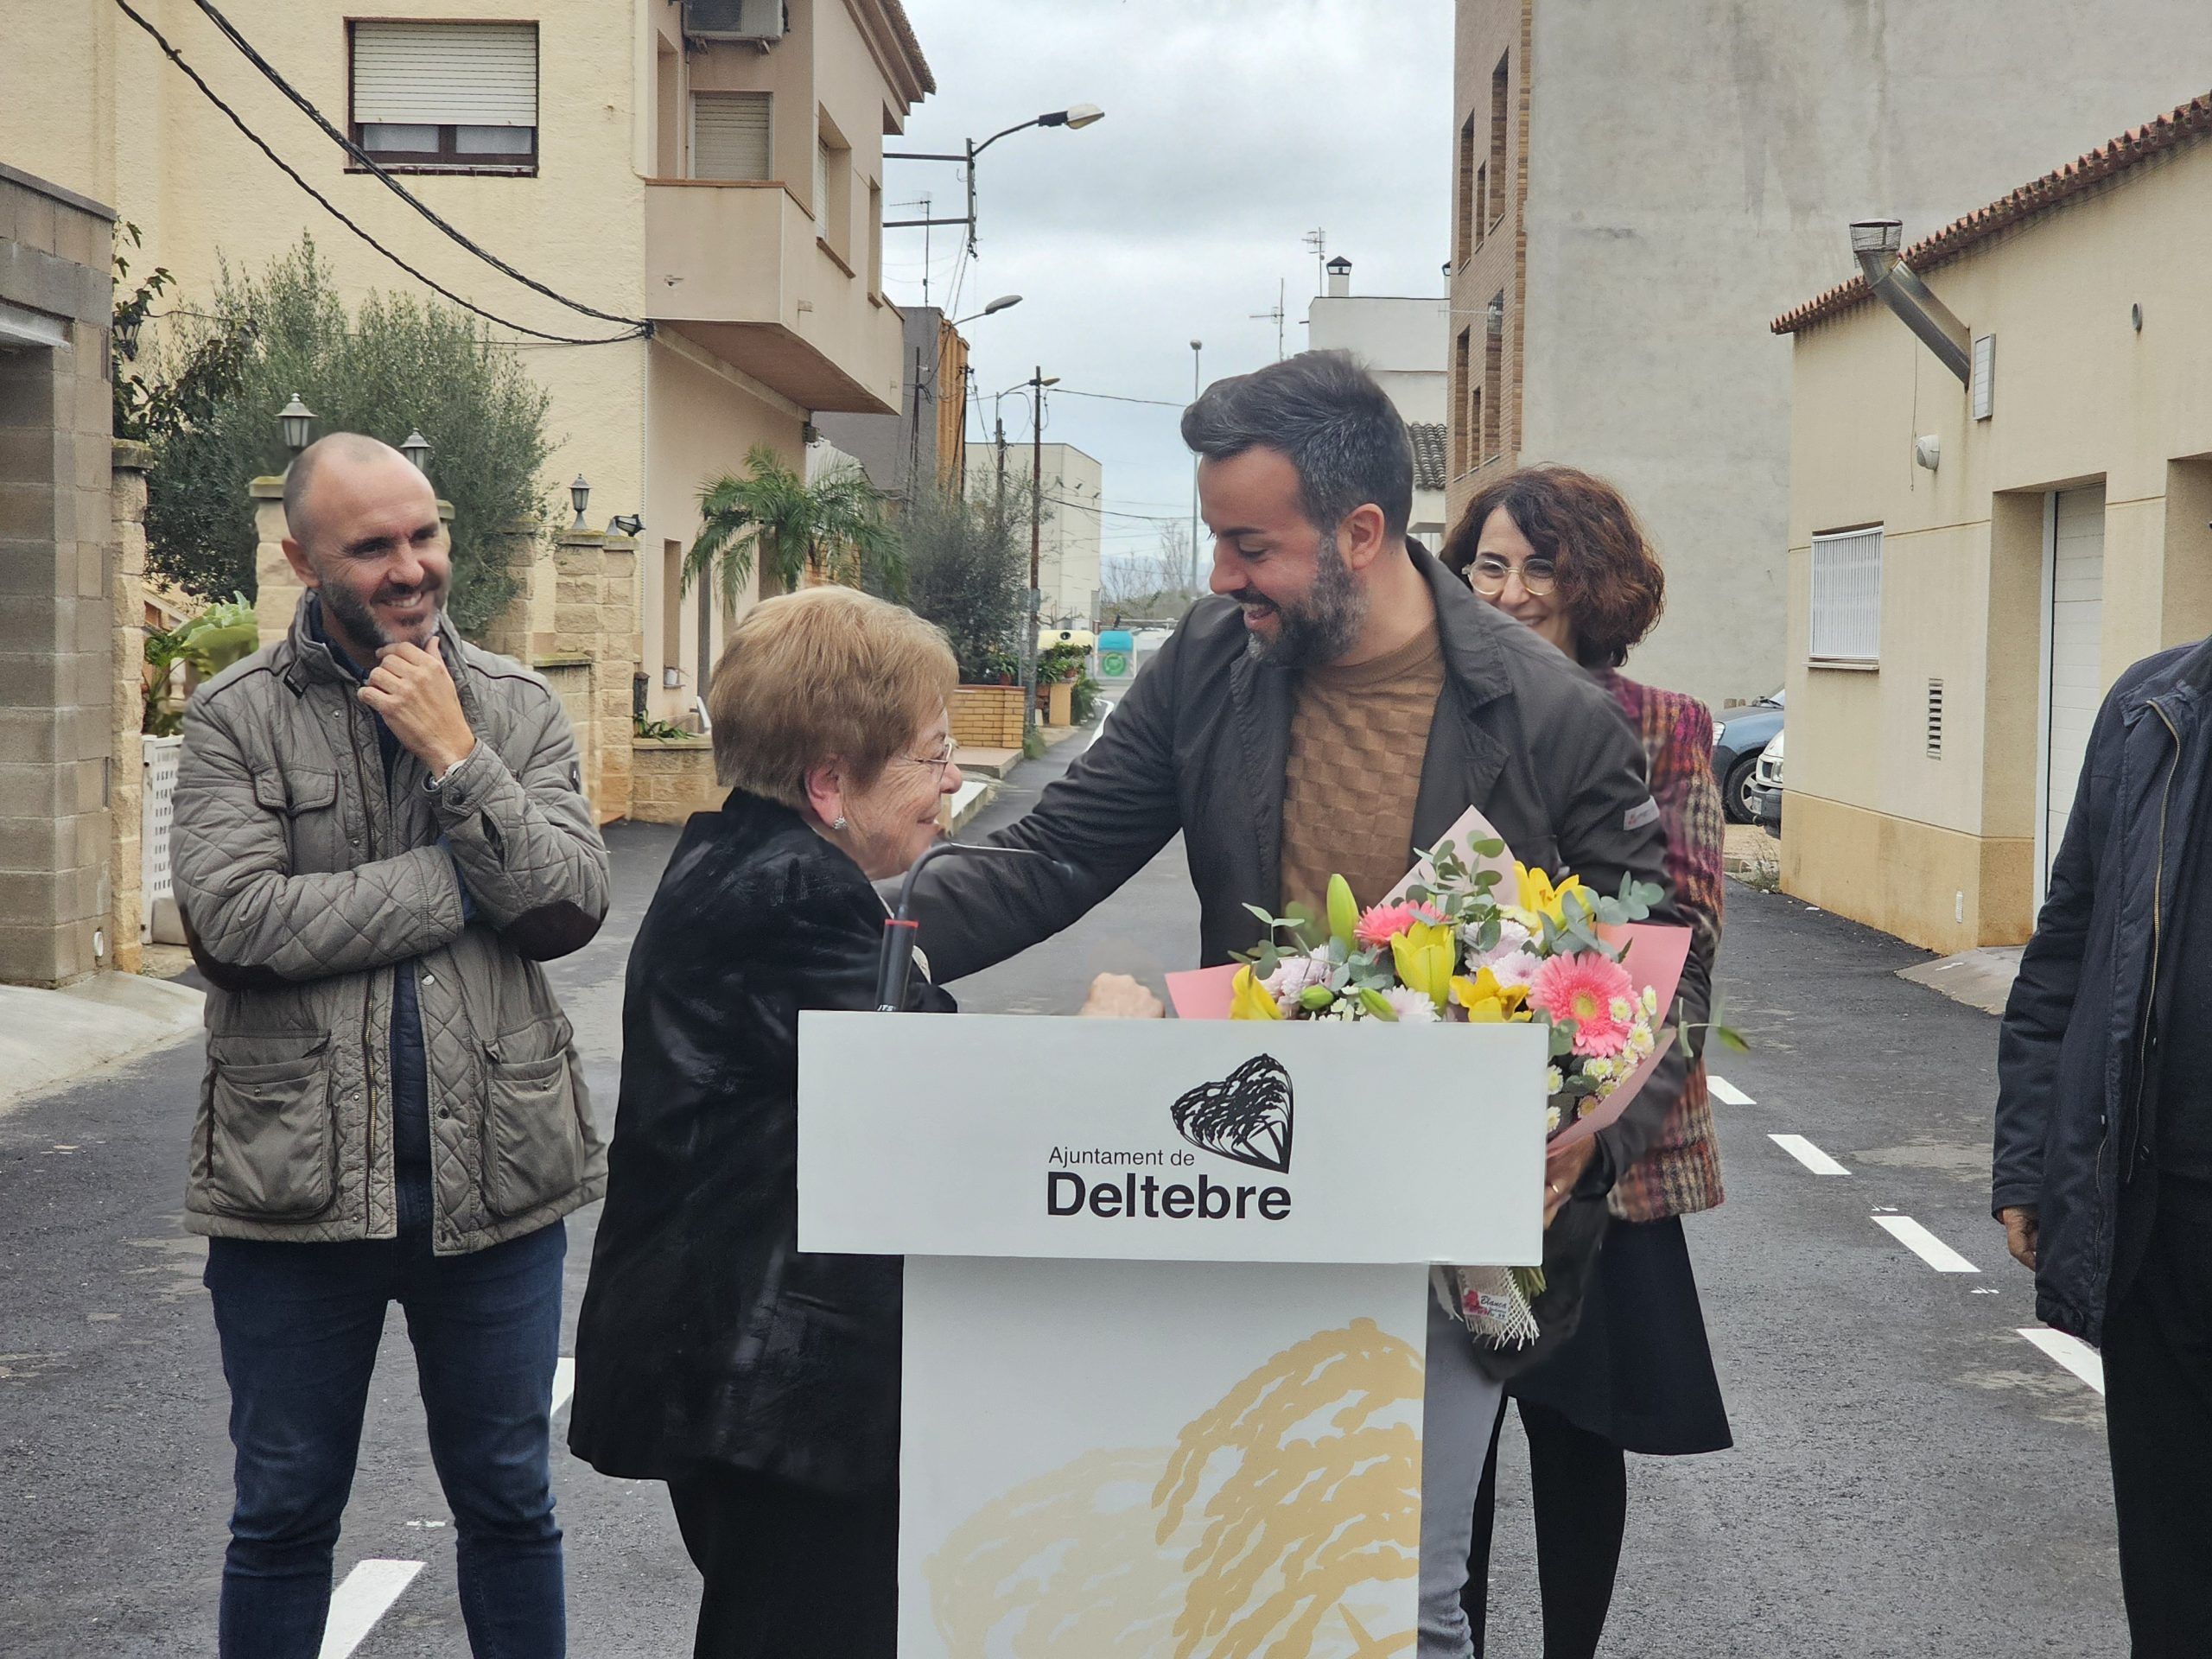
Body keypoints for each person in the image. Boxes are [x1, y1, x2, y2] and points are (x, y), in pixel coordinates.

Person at [899, 352, 1686, 1659]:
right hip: (1245, 1170)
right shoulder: (1211, 660)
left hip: (1450, 1213)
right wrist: (850, 922)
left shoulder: (1550, 715)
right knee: (1245, 1551)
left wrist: (1595, 1126)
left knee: (1408, 1594)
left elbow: (1654, 942)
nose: (1217, 578)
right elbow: (1058, 852)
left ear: (1360, 535)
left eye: (1247, 546)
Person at [170, 433, 609, 1657]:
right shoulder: (235, 721)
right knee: (281, 1516)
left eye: (425, 535)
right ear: (301, 556)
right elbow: (237, 927)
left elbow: (568, 906)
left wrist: (457, 758)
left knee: (512, 1506)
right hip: (292, 1193)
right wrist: (465, 881)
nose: (411, 568)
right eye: (373, 547)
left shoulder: (513, 709)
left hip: (500, 1188)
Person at [568, 588, 967, 1657]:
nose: (953, 782)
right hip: (768, 1388)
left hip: (739, 1377)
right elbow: (936, 1086)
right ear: (830, 781)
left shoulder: (741, 861)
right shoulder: (792, 895)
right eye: (932, 756)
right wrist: (1100, 1035)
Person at [1441, 466, 1732, 1658]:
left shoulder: (1664, 725)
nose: (1509, 592)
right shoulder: (1425, 714)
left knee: (1576, 1434)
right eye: (1489, 566)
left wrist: (1594, 1128)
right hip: (1442, 1134)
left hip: (1595, 1152)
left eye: (1540, 567)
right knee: (1447, 1442)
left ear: (1595, 585)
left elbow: (1684, 950)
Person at [1995, 630, 2212, 1658]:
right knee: (2169, 1560)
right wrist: (2031, 1158)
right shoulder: (2150, 706)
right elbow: (2067, 944)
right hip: (2157, 1213)